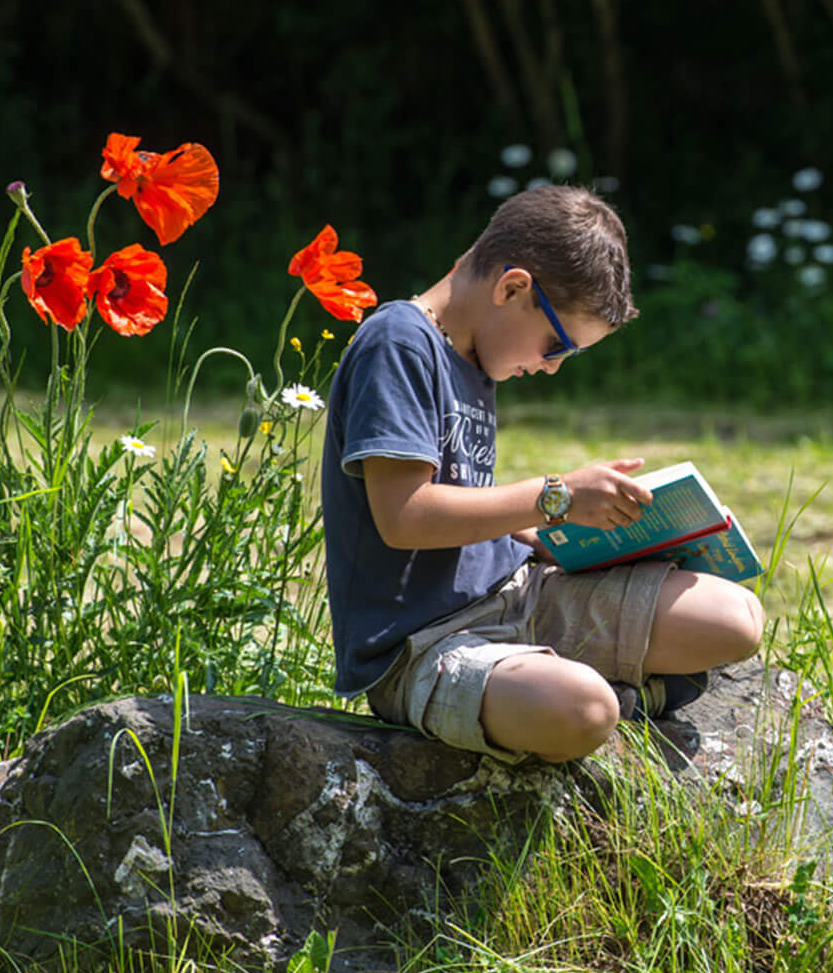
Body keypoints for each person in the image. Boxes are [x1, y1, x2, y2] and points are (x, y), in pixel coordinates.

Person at [320, 183, 765, 764]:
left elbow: (467, 504)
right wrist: (554, 498)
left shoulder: (476, 355)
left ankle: (601, 687)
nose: (551, 368)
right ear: (512, 288)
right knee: (583, 710)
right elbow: (404, 518)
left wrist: (556, 537)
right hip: (422, 644)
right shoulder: (399, 343)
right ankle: (621, 696)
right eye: (556, 345)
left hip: (517, 595)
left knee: (735, 618)